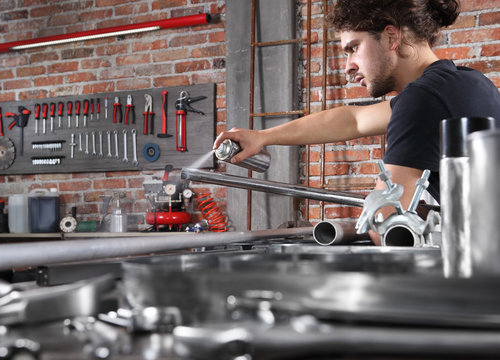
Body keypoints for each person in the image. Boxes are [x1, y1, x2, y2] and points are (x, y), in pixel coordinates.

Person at [214, 0, 500, 244]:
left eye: (353, 48)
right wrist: (263, 137)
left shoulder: (422, 99)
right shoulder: (468, 82)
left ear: (391, 37)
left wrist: (387, 215)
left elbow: (385, 225)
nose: (349, 65)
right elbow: (353, 119)